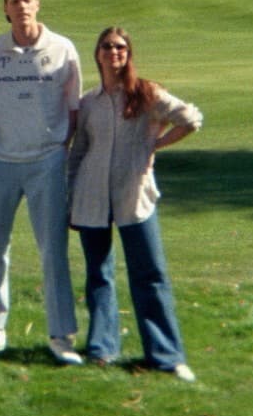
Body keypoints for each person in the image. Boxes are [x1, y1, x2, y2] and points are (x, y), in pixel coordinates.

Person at [69, 27, 202, 381]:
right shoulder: (89, 101)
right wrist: (70, 199)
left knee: (150, 274)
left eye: (120, 47)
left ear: (128, 54)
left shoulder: (146, 93)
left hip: (135, 195)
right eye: (107, 46)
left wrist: (154, 145)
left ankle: (166, 355)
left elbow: (190, 119)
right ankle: (102, 348)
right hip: (92, 195)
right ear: (97, 53)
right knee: (99, 274)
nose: (113, 52)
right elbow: (78, 151)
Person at [0, 0, 82, 364]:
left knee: (53, 249)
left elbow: (74, 108)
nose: (21, 5)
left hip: (46, 161)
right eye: (14, 0)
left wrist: (59, 148)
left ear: (38, 4)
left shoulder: (63, 49)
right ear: (5, 9)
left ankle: (60, 334)